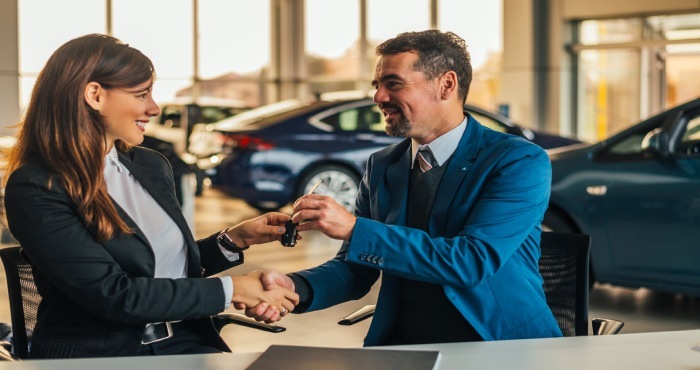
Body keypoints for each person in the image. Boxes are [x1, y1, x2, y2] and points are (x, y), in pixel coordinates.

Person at [241, 30, 562, 345]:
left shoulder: (517, 160)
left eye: (393, 84)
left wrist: (354, 228)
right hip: (403, 342)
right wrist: (296, 287)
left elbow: (471, 260)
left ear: (446, 84)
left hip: (498, 344)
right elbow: (355, 267)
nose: (378, 97)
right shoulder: (382, 165)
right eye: (377, 85)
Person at [1, 34, 298, 359]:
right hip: (100, 357)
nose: (154, 108)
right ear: (95, 95)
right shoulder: (36, 187)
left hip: (182, 343)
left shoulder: (150, 165)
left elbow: (161, 269)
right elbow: (115, 295)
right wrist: (234, 289)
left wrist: (233, 240)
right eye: (141, 94)